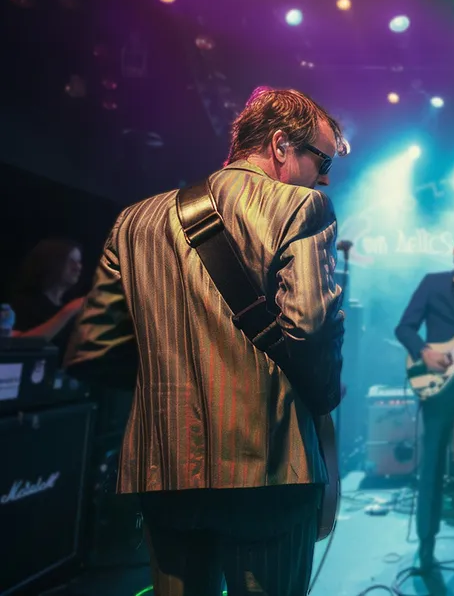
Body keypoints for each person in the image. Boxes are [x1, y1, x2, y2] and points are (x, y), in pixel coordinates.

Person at [64, 86, 350, 596]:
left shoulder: (134, 221)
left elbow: (95, 349)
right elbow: (309, 327)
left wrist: (168, 393)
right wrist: (327, 403)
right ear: (282, 145)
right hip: (270, 467)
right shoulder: (302, 206)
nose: (325, 177)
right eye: (322, 160)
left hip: (163, 467)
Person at [394, 229, 454, 570]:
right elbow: (404, 327)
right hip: (436, 388)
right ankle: (425, 548)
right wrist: (423, 352)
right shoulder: (433, 284)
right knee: (432, 466)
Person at [8, 238, 85, 361]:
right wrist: (68, 311)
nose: (78, 267)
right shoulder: (23, 303)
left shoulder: (73, 304)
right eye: (70, 261)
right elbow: (19, 346)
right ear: (52, 262)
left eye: (79, 261)